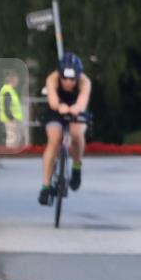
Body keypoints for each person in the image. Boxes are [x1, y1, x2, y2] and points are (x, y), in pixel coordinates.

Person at [38, 52, 91, 205]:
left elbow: (82, 101)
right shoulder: (52, 78)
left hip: (76, 107)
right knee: (54, 140)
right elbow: (53, 100)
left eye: (72, 79)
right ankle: (45, 186)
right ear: (59, 74)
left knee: (76, 133)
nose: (68, 82)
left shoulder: (84, 82)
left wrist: (77, 108)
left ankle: (76, 166)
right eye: (64, 78)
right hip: (57, 109)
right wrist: (59, 106)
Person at [0, 70, 26, 149]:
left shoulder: (10, 90)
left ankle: (12, 157)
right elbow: (6, 106)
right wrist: (11, 117)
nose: (17, 82)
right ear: (12, 79)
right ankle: (10, 158)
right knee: (12, 141)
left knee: (15, 141)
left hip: (12, 119)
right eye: (17, 79)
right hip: (11, 120)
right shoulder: (7, 90)